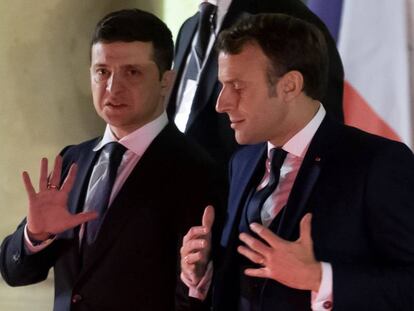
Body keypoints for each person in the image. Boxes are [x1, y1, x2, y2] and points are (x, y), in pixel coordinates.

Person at [180, 13, 414, 311]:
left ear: (290, 85)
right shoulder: (240, 163)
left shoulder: (378, 163)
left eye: (237, 86)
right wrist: (203, 274)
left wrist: (319, 278)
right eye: (222, 84)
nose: (221, 103)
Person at [0, 9, 224, 311]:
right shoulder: (72, 159)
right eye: (102, 71)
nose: (112, 87)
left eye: (132, 72)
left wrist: (198, 280)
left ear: (165, 81)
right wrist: (35, 236)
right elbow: (15, 272)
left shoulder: (198, 171)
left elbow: (194, 298)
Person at [167, 0, 344, 171]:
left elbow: (321, 126)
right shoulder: (189, 27)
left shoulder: (288, 19)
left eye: (237, 86)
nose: (221, 105)